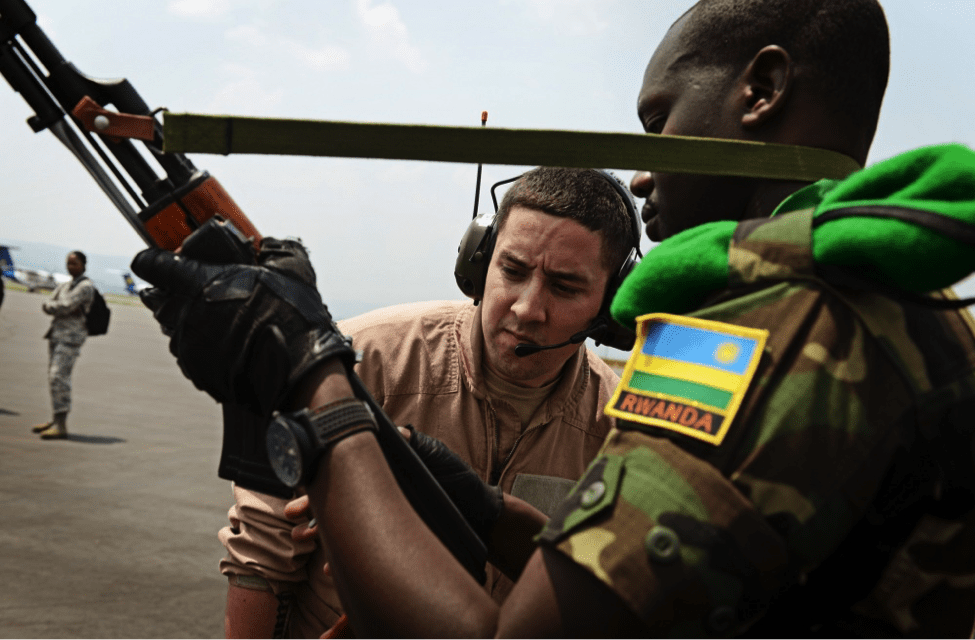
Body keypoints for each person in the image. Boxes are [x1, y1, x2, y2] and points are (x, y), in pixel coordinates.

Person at [132, 0, 975, 636]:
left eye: (660, 120)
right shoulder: (896, 299)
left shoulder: (762, 328)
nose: (644, 173)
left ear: (759, 90)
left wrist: (319, 390)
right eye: (511, 270)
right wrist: (478, 506)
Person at [218, 167, 640, 639]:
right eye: (512, 271)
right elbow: (260, 554)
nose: (525, 307)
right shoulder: (359, 357)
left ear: (610, 307)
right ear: (479, 264)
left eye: (564, 287)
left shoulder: (622, 428)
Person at [31, 251, 94, 440]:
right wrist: (52, 305)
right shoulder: (65, 285)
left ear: (83, 264)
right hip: (57, 334)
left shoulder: (85, 287)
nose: (70, 267)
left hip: (71, 338)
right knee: (53, 377)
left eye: (74, 263)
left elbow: (63, 305)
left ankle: (61, 424)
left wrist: (51, 306)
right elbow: (54, 303)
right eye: (68, 263)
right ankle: (55, 419)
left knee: (59, 376)